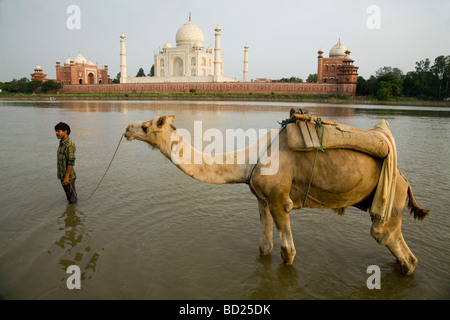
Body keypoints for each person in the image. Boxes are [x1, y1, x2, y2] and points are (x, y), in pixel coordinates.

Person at [55, 122, 77, 204]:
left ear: (65, 131)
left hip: (68, 177)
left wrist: (67, 177)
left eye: (58, 131)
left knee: (72, 199)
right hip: (62, 176)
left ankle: (73, 214)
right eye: (56, 131)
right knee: (70, 198)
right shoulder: (61, 143)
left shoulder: (69, 145)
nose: (56, 133)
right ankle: (71, 215)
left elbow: (71, 162)